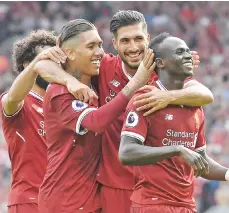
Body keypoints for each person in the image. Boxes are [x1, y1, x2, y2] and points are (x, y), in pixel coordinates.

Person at [34, 10, 214, 213]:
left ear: (147, 39)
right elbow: (42, 65)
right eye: (125, 41)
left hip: (156, 193)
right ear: (115, 44)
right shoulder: (102, 67)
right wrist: (69, 80)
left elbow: (204, 94)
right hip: (115, 187)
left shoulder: (163, 71)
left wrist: (167, 97)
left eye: (138, 39)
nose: (133, 47)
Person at [38, 19, 156, 213]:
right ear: (70, 53)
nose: (100, 52)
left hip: (92, 197)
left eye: (100, 44)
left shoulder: (94, 80)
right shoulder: (60, 93)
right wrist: (136, 83)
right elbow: (97, 122)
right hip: (63, 200)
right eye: (91, 46)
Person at [119, 32, 229, 213]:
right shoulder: (146, 99)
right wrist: (177, 149)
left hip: (186, 204)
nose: (188, 55)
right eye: (179, 52)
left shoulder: (195, 106)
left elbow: (200, 161)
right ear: (161, 63)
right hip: (153, 203)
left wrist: (226, 174)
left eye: (187, 50)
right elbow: (126, 152)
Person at [0, 29, 96, 213]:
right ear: (28, 64)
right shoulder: (20, 102)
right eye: (48, 60)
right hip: (30, 201)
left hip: (65, 203)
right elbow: (11, 99)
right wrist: (38, 62)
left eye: (58, 61)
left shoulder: (67, 105)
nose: (55, 66)